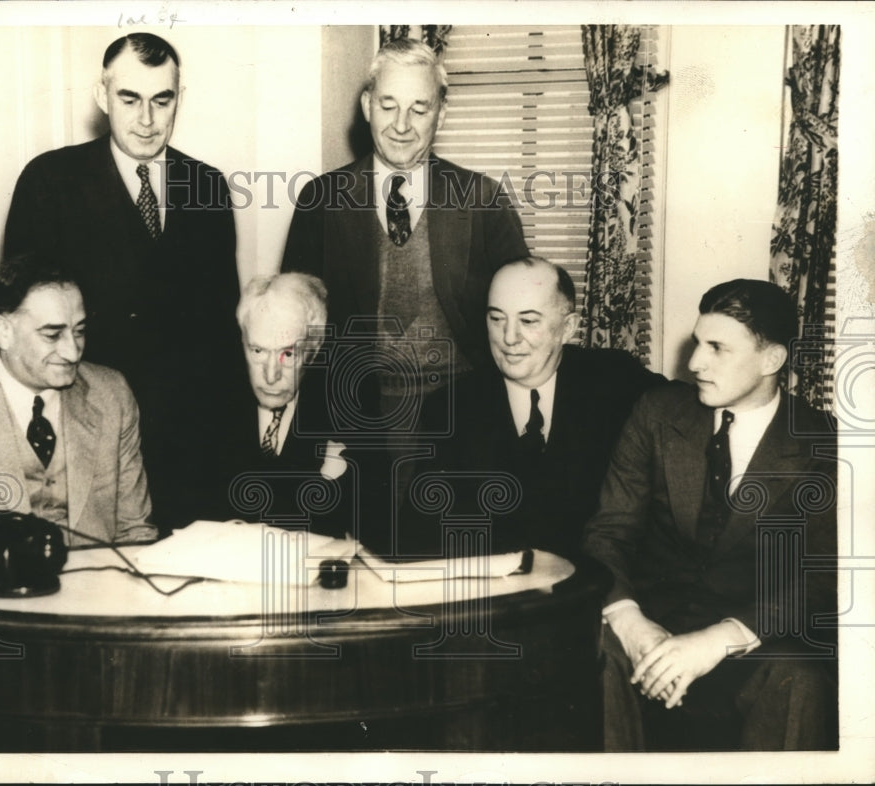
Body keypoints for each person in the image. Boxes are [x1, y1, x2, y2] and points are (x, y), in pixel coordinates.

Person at [583, 279, 838, 751]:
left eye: (717, 348)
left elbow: (821, 576)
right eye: (698, 343)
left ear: (772, 360)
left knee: (798, 678)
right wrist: (632, 624)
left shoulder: (821, 442)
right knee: (594, 656)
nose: (695, 362)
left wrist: (717, 640)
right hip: (651, 626)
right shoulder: (657, 413)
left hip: (751, 638)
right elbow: (607, 533)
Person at [3, 32, 242, 532]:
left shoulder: (208, 188)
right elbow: (24, 331)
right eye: (129, 99)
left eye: (162, 99)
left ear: (180, 96)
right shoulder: (49, 183)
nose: (147, 120)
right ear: (102, 96)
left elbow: (224, 337)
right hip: (88, 442)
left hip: (188, 450)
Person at [281, 38, 529, 420]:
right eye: (388, 105)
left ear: (441, 115)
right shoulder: (321, 202)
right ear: (367, 106)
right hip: (354, 416)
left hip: (464, 414)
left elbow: (523, 314)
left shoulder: (484, 201)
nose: (401, 126)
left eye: (419, 109)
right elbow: (293, 326)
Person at [0, 254, 156, 577]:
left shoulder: (112, 395)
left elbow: (137, 535)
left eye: (79, 331)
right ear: (3, 331)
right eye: (52, 335)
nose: (72, 352)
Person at [398, 257, 665, 558]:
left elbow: (691, 407)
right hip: (497, 594)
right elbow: (422, 532)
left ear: (568, 327)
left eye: (528, 321)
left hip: (596, 587)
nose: (509, 338)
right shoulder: (449, 407)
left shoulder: (617, 381)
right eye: (497, 319)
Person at [191, 273, 366, 541]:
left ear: (314, 348)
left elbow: (363, 523)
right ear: (243, 341)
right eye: (258, 351)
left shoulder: (346, 410)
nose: (271, 375)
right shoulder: (204, 408)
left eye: (288, 353)